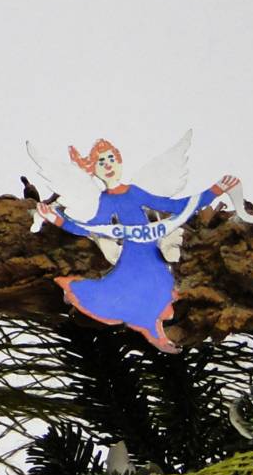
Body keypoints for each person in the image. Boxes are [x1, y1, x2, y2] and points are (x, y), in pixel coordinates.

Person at [37, 139, 237, 353]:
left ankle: (165, 331)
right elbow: (90, 227)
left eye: (111, 158)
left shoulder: (136, 192)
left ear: (120, 161)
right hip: (131, 257)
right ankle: (156, 334)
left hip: (153, 254)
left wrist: (216, 190)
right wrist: (56, 219)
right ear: (93, 169)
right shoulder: (105, 201)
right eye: (101, 162)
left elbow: (176, 206)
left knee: (163, 291)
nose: (108, 165)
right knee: (133, 293)